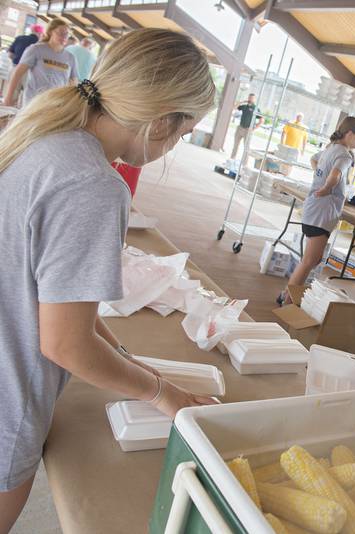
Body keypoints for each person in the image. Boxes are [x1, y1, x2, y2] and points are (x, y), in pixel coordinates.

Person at [0, 28, 218, 532]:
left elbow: (53, 301)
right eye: (184, 135)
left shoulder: (44, 136)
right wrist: (162, 393)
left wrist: (124, 360)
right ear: (162, 120)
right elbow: (65, 344)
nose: (177, 145)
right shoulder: (94, 184)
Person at [279, 116, 355, 305]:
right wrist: (326, 187)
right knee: (310, 260)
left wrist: (320, 177)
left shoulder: (330, 148)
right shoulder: (344, 154)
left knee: (312, 259)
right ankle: (287, 300)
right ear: (350, 134)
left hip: (315, 210)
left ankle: (287, 294)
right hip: (321, 211)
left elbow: (314, 160)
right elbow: (336, 174)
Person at [3, 19, 77, 108]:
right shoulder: (36, 49)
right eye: (60, 33)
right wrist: (9, 96)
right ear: (50, 32)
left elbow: (73, 83)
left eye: (67, 34)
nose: (64, 36)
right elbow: (18, 73)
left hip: (56, 104)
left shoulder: (70, 57)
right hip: (33, 101)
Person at [230, 93, 262, 160]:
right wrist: (242, 102)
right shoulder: (244, 106)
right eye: (249, 97)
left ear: (254, 99)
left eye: (252, 98)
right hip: (240, 128)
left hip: (248, 130)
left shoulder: (256, 108)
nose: (250, 99)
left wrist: (254, 128)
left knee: (246, 147)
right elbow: (234, 107)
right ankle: (232, 159)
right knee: (235, 145)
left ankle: (244, 164)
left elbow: (261, 120)